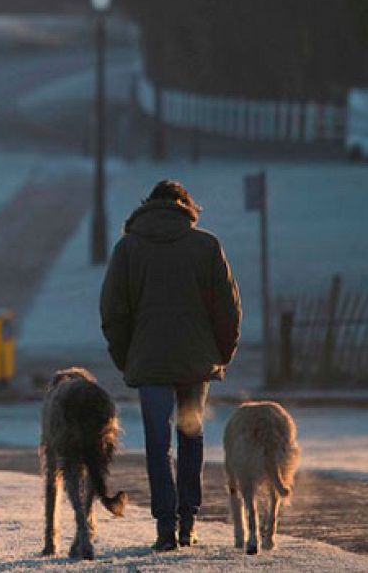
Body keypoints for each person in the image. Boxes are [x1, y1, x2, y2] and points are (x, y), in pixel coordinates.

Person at [99, 179, 241, 551]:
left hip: (149, 362)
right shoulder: (206, 246)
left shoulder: (128, 248)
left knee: (157, 442)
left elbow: (113, 311)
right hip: (195, 363)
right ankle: (188, 522)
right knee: (191, 437)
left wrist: (127, 357)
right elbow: (227, 308)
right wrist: (220, 354)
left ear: (148, 206)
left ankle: (165, 526)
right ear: (185, 207)